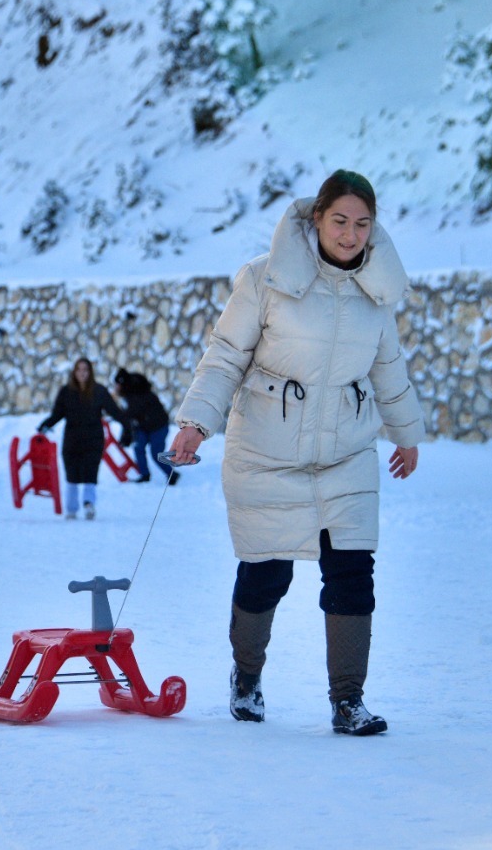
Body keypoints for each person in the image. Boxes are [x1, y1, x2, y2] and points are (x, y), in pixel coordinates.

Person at [168, 170, 426, 736]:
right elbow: (226, 355)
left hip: (347, 452)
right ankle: (246, 675)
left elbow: (388, 368)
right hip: (267, 450)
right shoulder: (265, 280)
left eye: (363, 223)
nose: (351, 234)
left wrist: (408, 433)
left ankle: (348, 700)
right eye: (340, 220)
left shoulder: (376, 292)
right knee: (267, 575)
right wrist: (196, 423)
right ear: (317, 218)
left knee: (353, 572)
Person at [38, 357, 130, 521]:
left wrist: (127, 427)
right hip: (72, 439)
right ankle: (71, 509)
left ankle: (89, 504)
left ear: (90, 372)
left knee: (90, 473)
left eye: (85, 370)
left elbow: (114, 411)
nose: (82, 373)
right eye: (79, 369)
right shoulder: (66, 392)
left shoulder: (99, 391)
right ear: (74, 372)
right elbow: (58, 414)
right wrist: (44, 426)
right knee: (71, 474)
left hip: (93, 438)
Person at [113, 368, 178, 486]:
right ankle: (144, 474)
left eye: (117, 384)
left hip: (158, 427)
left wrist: (126, 435)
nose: (116, 388)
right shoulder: (130, 394)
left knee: (156, 453)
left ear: (123, 384)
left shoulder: (138, 395)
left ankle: (172, 474)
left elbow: (129, 415)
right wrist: (125, 435)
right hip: (144, 427)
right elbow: (128, 418)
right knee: (138, 448)